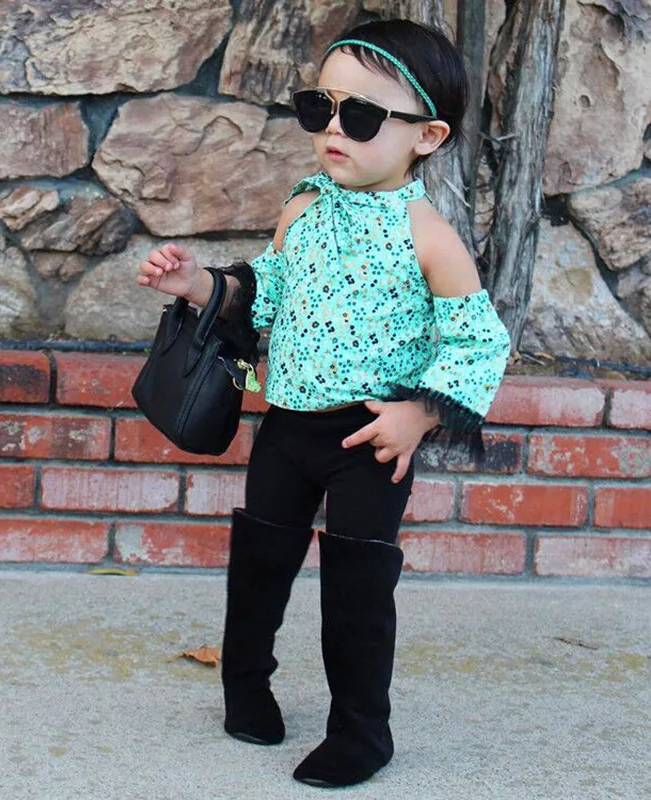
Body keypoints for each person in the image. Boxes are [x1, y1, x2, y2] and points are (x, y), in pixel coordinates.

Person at [136, 18, 511, 788]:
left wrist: (419, 414)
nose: (335, 128)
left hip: (370, 438)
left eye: (362, 115)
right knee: (261, 564)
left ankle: (362, 732)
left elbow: (478, 342)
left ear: (428, 136)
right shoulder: (303, 207)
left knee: (359, 588)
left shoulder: (428, 237)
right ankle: (245, 684)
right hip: (287, 427)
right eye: (322, 107)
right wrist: (199, 284)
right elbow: (268, 294)